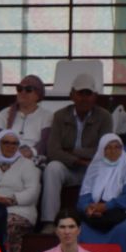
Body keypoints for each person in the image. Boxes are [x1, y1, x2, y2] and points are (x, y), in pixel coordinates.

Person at [41, 74, 107, 223]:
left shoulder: (104, 117)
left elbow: (104, 150)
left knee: (107, 169)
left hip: (94, 168)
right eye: (80, 93)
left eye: (88, 93)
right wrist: (78, 160)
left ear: (95, 96)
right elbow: (53, 151)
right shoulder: (59, 116)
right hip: (69, 167)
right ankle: (49, 222)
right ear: (72, 95)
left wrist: (71, 150)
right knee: (52, 168)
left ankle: (95, 221)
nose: (84, 98)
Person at [0, 127, 43, 252]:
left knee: (8, 225)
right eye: (6, 142)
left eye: (14, 143)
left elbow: (33, 191)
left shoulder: (27, 164)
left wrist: (11, 200)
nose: (10, 146)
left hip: (20, 211)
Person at [0, 73, 51, 159]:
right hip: (5, 157)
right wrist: (0, 155)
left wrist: (31, 152)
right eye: (19, 89)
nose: (23, 92)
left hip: (32, 159)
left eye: (28, 89)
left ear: (38, 95)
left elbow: (46, 142)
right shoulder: (5, 114)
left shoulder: (47, 116)